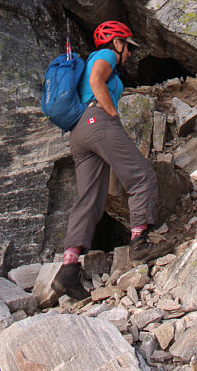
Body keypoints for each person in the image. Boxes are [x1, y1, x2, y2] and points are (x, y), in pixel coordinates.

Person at [51, 21, 170, 301]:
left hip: (79, 132)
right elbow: (95, 81)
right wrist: (114, 118)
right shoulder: (104, 56)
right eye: (128, 46)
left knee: (90, 199)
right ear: (116, 42)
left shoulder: (100, 59)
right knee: (141, 175)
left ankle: (68, 270)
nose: (129, 53)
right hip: (97, 120)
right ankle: (139, 242)